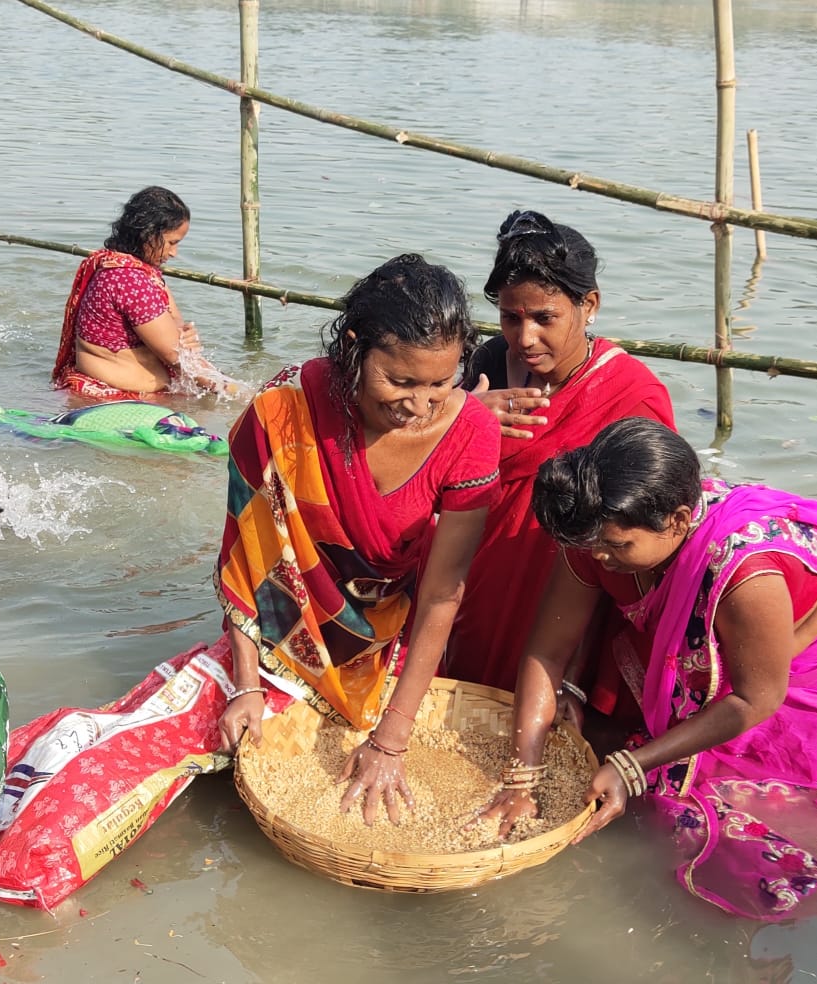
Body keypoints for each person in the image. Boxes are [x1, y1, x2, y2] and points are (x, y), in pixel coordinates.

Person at [482, 418, 817, 918]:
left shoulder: (745, 572)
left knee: (770, 776)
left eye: (617, 547)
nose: (599, 558)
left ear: (679, 522)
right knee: (666, 752)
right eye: (594, 546)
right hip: (724, 603)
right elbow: (547, 651)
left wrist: (632, 766)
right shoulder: (596, 531)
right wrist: (521, 778)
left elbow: (755, 698)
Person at [216, 254, 501, 825]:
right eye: (399, 381)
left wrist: (392, 739)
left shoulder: (471, 432)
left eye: (441, 383)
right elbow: (248, 554)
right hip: (280, 629)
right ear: (353, 348)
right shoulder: (285, 410)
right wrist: (243, 685)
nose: (419, 406)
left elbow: (444, 593)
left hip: (390, 639)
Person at [444, 210, 674, 709]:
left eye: (544, 318)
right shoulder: (486, 365)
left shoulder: (632, 396)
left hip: (569, 591)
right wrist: (463, 416)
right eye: (511, 317)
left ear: (588, 306)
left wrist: (574, 669)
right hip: (480, 575)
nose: (524, 338)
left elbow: (639, 532)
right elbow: (434, 466)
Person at [52, 185, 236, 399]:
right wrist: (236, 392)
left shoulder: (126, 268)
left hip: (114, 391)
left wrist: (184, 336)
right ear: (148, 235)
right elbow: (176, 356)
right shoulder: (129, 280)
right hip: (110, 399)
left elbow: (176, 328)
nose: (174, 253)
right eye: (171, 243)